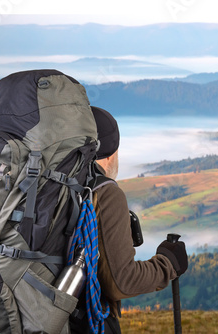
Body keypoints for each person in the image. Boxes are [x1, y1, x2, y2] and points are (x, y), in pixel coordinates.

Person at [70, 106, 188, 333]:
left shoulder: (46, 184)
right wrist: (168, 264)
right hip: (80, 323)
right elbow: (121, 282)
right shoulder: (103, 192)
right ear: (111, 152)